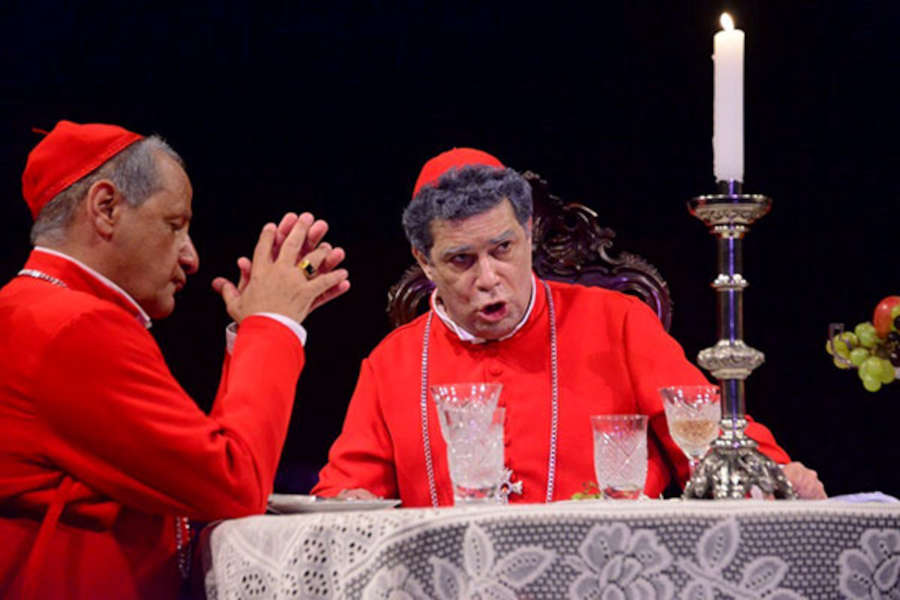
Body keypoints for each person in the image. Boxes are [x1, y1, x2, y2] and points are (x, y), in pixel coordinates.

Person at [311, 147, 825, 506]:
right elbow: (346, 496)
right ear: (424, 261)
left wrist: (777, 474)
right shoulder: (391, 363)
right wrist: (349, 500)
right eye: (462, 260)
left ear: (530, 232)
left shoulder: (617, 323)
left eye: (503, 249)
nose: (489, 279)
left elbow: (707, 437)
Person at [0, 120, 350, 599]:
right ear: (106, 208)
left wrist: (253, 333)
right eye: (175, 225)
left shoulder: (32, 309)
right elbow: (234, 485)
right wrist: (273, 326)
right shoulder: (74, 327)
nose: (192, 257)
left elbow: (198, 469)